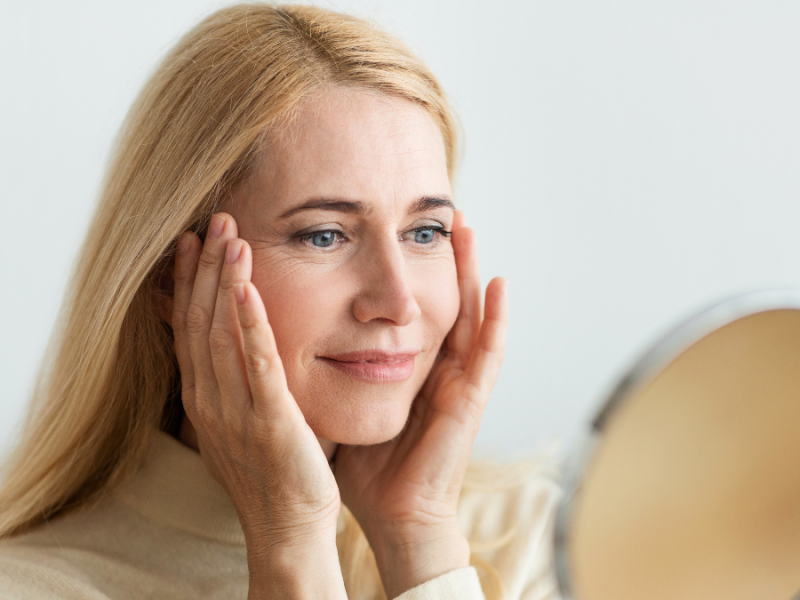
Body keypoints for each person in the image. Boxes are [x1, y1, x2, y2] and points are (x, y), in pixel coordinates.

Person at [0, 4, 560, 599]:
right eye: (325, 235)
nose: (398, 302)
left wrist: (419, 542)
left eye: (424, 232)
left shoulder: (538, 541)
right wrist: (290, 545)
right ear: (170, 278)